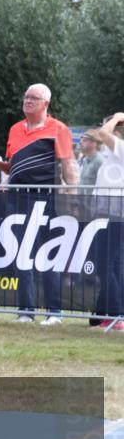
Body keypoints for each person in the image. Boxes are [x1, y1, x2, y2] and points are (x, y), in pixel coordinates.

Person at [0, 84, 78, 325]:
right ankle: (26, 311)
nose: (28, 101)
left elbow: (68, 166)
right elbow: (14, 166)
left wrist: (71, 195)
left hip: (46, 198)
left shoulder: (59, 129)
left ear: (46, 104)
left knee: (47, 254)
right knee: (22, 253)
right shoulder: (14, 129)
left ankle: (54, 312)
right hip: (17, 197)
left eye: (34, 98)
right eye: (26, 97)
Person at [93, 112, 124, 329]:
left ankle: (116, 315)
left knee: (103, 262)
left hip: (116, 211)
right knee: (112, 263)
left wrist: (116, 117)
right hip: (111, 210)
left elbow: (102, 133)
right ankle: (109, 314)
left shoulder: (121, 147)